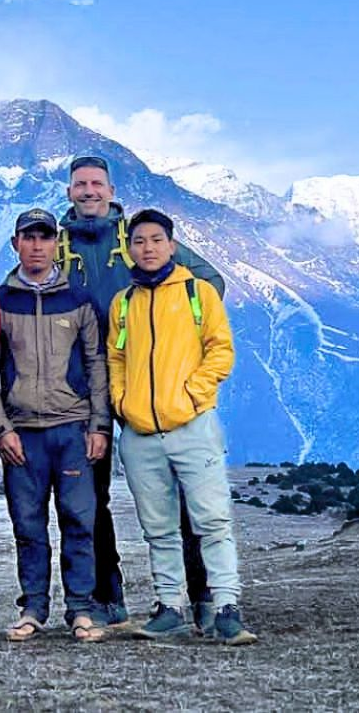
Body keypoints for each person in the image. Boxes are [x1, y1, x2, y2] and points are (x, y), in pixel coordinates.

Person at [57, 154, 225, 632]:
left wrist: (169, 334)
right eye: (80, 184)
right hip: (83, 388)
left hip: (145, 382)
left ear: (111, 190)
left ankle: (201, 595)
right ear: (70, 192)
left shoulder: (138, 237)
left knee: (180, 489)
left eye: (97, 184)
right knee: (90, 497)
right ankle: (108, 599)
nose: (89, 191)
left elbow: (208, 283)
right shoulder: (58, 243)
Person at [107, 208, 257, 646]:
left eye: (156, 240)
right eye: (139, 241)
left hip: (193, 427)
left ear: (172, 246)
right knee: (158, 528)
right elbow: (117, 357)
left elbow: (221, 350)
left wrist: (194, 393)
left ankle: (227, 607)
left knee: (212, 522)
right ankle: (169, 606)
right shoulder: (124, 303)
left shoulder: (198, 293)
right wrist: (122, 401)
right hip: (139, 434)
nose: (147, 248)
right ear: (129, 248)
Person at [0, 208, 111, 644]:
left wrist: (99, 425)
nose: (37, 245)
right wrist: (0, 430)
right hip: (22, 434)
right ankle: (33, 607)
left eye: (45, 237)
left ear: (57, 243)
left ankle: (81, 610)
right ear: (15, 243)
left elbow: (96, 364)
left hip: (72, 429)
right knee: (28, 526)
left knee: (78, 521)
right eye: (28, 237)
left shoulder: (78, 301)